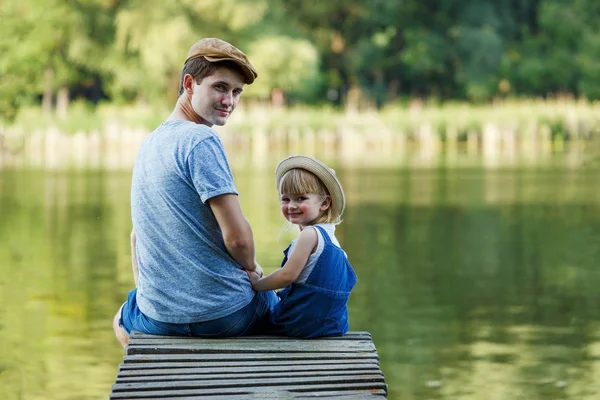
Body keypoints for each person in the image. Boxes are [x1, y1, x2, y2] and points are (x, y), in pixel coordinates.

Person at [113, 37, 272, 349]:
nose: (230, 100)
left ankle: (154, 370)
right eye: (220, 87)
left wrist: (159, 301)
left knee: (121, 317)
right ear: (189, 84)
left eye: (236, 92)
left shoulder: (149, 144)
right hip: (226, 316)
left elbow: (137, 237)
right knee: (276, 299)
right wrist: (252, 268)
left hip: (159, 319)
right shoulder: (201, 140)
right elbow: (238, 240)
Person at [247, 155, 358, 338]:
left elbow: (286, 276)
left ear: (325, 203)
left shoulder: (309, 235)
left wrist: (257, 284)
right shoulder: (332, 241)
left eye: (300, 198)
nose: (291, 205)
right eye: (285, 199)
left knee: (250, 289)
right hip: (332, 326)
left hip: (298, 324)